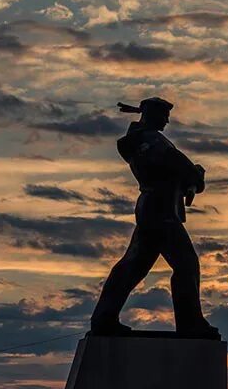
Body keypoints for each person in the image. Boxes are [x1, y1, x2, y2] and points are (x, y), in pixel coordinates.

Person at [90, 97, 218, 338]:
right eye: (164, 115)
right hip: (160, 210)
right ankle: (190, 323)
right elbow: (180, 166)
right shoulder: (150, 141)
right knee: (186, 265)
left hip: (155, 207)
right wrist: (194, 175)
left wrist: (191, 178)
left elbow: (179, 170)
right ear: (150, 114)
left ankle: (104, 318)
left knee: (132, 267)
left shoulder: (144, 141)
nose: (168, 120)